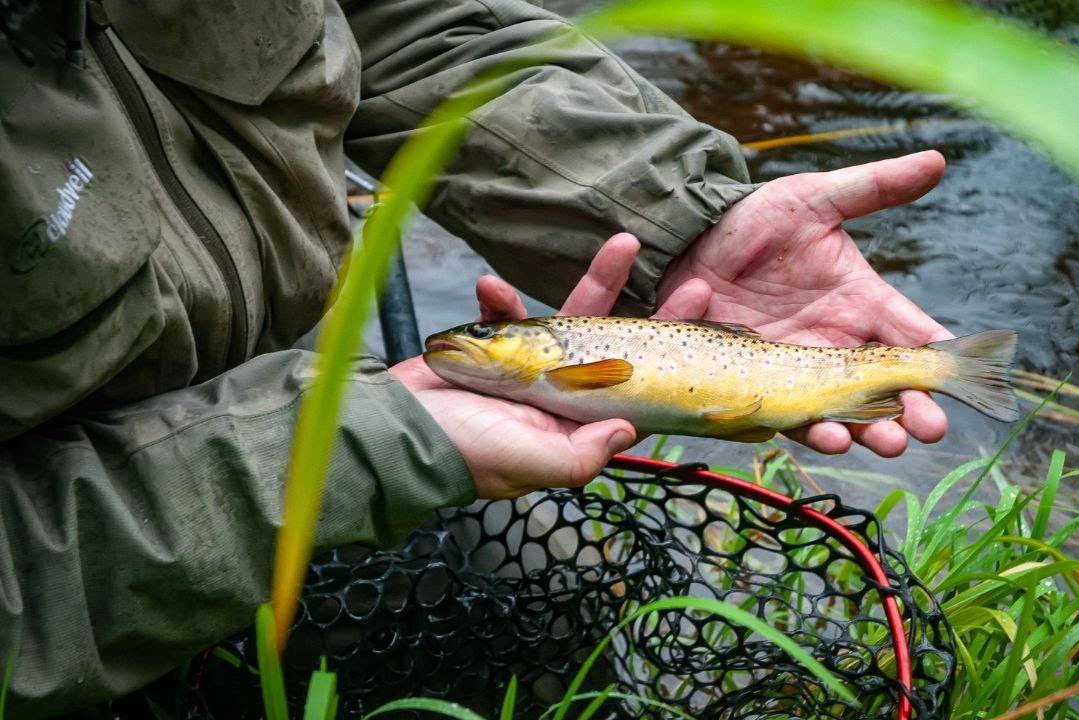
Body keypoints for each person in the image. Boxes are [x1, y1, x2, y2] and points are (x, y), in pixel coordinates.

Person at [0, 0, 952, 715]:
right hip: (86, 562)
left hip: (247, 419)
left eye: (490, 344)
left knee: (560, 583)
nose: (476, 347)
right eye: (493, 345)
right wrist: (353, 448)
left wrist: (678, 216)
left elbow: (401, 18)